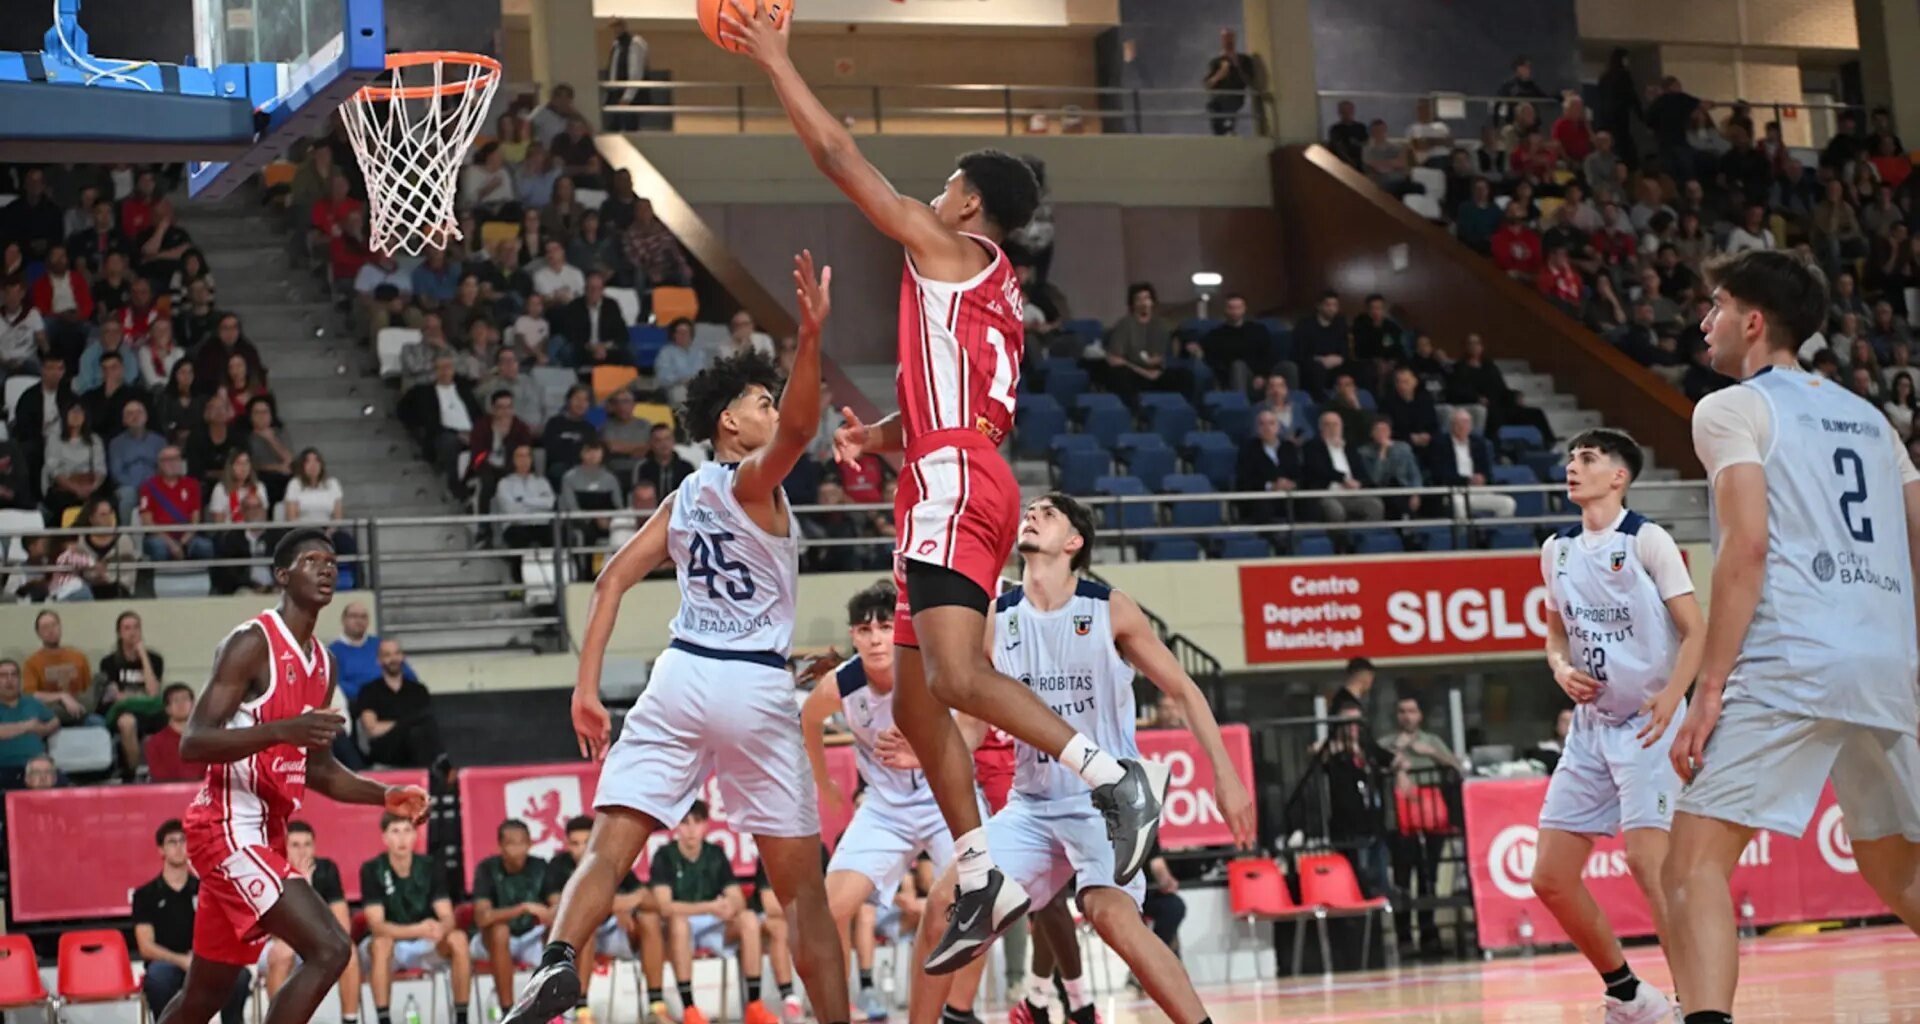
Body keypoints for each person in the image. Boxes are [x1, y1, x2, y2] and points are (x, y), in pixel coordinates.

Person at [725, 6, 1167, 971]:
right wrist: (879, 439)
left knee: (957, 680)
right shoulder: (987, 284)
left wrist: (777, 62)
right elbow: (959, 409)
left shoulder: (948, 249)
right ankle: (979, 872)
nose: (931, 197)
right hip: (960, 464)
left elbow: (841, 158)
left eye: (944, 187)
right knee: (925, 704)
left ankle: (1110, 777)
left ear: (967, 206)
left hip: (955, 477)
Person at [502, 253, 847, 1024]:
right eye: (761, 399)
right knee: (803, 897)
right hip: (750, 689)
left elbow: (610, 583)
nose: (776, 407)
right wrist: (811, 339)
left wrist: (586, 690)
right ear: (731, 422)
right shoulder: (754, 481)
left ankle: (557, 963)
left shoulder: (685, 493)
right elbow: (801, 424)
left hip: (680, 677)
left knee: (609, 844)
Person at [1665, 251, 1920, 1024]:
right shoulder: (1873, 418)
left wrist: (1709, 689)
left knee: (1691, 866)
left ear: (1752, 322)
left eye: (1714, 307)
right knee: (1891, 861)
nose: (1704, 323)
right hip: (1885, 660)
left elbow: (1745, 547)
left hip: (1795, 658)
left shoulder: (1730, 408)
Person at [910, 492, 1255, 1024]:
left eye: (1048, 514)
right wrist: (922, 753)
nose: (1031, 514)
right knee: (941, 905)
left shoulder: (1108, 608)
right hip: (1033, 805)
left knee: (1110, 915)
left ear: (1074, 542)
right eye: (1029, 510)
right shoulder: (995, 618)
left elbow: (1183, 689)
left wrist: (1226, 776)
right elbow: (974, 723)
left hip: (1109, 806)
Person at [159, 530, 429, 1024]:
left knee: (205, 996)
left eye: (331, 561)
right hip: (226, 830)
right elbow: (192, 741)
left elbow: (319, 769)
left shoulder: (323, 665)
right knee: (330, 947)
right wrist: (282, 729)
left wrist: (385, 795)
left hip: (266, 835)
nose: (326, 569)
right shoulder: (250, 643)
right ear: (283, 576)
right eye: (312, 561)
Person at [1535, 429, 1702, 1023]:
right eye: (1569, 460)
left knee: (1649, 866)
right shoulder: (1555, 549)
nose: (1572, 468)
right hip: (1590, 727)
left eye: (1587, 459)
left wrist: (1674, 698)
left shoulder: (1646, 540)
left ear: (1619, 476)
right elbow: (1556, 631)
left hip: (1648, 722)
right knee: (1550, 878)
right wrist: (1559, 668)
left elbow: (1696, 629)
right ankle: (1631, 994)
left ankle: (1694, 1005)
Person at [799, 582, 989, 1023]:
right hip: (886, 809)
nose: (876, 638)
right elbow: (808, 719)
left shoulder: (929, 667)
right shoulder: (842, 684)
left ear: (900, 630)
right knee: (828, 913)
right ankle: (836, 1013)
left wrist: (924, 751)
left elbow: (971, 727)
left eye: (885, 627)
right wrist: (823, 781)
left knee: (983, 900)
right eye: (865, 630)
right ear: (854, 636)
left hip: (945, 798)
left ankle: (956, 1012)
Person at [650, 801, 777, 1024]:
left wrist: (730, 906)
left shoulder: (715, 853)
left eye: (696, 823)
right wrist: (709, 906)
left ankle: (755, 1005)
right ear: (677, 827)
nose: (690, 830)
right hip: (681, 926)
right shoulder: (664, 856)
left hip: (714, 924)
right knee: (678, 922)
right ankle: (690, 1009)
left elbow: (736, 897)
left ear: (706, 826)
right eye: (685, 823)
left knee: (748, 919)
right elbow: (665, 906)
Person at [541, 815, 665, 1022]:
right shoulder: (557, 865)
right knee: (585, 925)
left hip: (614, 931)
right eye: (575, 843)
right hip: (579, 940)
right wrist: (619, 904)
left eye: (586, 842)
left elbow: (651, 902)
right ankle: (582, 1010)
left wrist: (617, 904)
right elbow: (559, 909)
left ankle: (657, 1005)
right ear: (566, 845)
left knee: (649, 919)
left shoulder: (609, 861)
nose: (581, 849)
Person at [360, 814, 473, 1024]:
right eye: (395, 831)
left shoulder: (430, 866)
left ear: (415, 836)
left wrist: (441, 927)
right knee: (381, 944)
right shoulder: (372, 869)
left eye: (407, 831)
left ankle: (461, 1018)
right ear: (384, 837)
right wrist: (418, 929)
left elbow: (447, 916)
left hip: (425, 944)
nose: (402, 839)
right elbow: (377, 926)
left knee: (458, 939)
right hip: (391, 946)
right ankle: (384, 1019)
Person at [136, 820, 252, 1024]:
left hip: (205, 962)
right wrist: (181, 960)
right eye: (172, 842)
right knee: (157, 977)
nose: (180, 847)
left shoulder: (206, 888)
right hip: (169, 964)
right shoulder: (146, 895)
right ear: (161, 850)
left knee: (239, 975)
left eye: (184, 841)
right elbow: (146, 946)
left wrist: (202, 961)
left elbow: (223, 933)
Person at [257, 822, 359, 1024]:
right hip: (280, 942)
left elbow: (343, 925)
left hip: (317, 941)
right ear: (284, 848)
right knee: (281, 954)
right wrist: (299, 882)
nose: (302, 851)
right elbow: (273, 929)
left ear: (315, 847)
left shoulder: (327, 870)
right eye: (295, 845)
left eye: (307, 844)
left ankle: (350, 1020)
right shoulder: (272, 872)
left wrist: (308, 887)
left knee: (349, 951)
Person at [471, 820, 553, 1016]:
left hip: (530, 937)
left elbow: (556, 905)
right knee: (500, 931)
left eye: (522, 843)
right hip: (491, 941)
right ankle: (508, 1012)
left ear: (530, 844)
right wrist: (522, 908)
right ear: (500, 846)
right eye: (511, 843)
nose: (517, 849)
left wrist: (551, 912)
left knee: (558, 932)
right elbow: (483, 918)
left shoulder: (541, 866)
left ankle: (553, 1010)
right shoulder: (486, 869)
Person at [353, 639, 445, 769]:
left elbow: (428, 726)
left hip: (416, 746)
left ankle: (430, 778)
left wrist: (399, 725)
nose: (393, 659)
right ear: (378, 660)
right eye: (387, 655)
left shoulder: (418, 690)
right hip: (385, 747)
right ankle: (444, 769)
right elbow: (372, 729)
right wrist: (404, 723)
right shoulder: (369, 690)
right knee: (420, 725)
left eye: (396, 654)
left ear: (402, 657)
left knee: (419, 732)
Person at [0, 659, 61, 788]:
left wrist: (44, 729)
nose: (9, 680)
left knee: (64, 784)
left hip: (38, 765)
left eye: (14, 675)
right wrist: (28, 726)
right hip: (5, 767)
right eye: (4, 675)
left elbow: (55, 720)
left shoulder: (32, 702)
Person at [143, 684, 208, 783]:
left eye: (185, 699)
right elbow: (159, 778)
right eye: (176, 700)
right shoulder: (155, 743)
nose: (181, 704)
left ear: (193, 705)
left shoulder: (206, 740)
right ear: (167, 708)